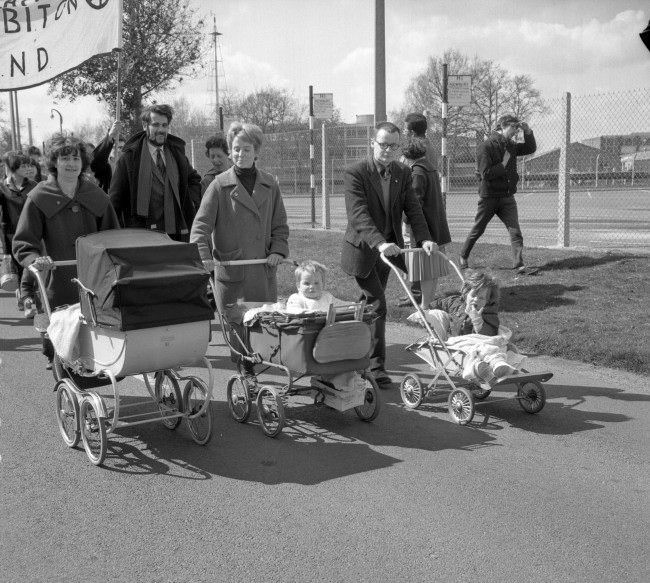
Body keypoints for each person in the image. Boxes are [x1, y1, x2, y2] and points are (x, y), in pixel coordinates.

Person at [340, 121, 435, 390]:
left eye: (394, 146)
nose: (388, 150)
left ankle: (346, 347)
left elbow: (413, 208)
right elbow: (358, 214)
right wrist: (379, 243)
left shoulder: (402, 173)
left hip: (388, 251)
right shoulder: (356, 172)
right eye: (383, 144)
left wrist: (425, 237)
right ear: (374, 143)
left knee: (367, 307)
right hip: (364, 250)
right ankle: (376, 368)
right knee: (378, 304)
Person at [12, 135, 120, 368]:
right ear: (54, 162)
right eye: (65, 158)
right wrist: (35, 260)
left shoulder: (96, 195)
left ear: (82, 163)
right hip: (56, 281)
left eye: (76, 158)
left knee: (93, 344)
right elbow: (23, 242)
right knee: (58, 346)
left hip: (93, 281)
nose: (71, 163)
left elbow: (113, 237)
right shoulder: (40, 196)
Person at [109, 103, 202, 241]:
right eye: (156, 125)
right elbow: (115, 200)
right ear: (145, 126)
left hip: (176, 234)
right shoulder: (129, 158)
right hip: (141, 236)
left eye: (165, 125)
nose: (161, 130)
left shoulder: (177, 155)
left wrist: (190, 203)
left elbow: (194, 180)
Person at [410, 269, 518, 383]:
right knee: (474, 352)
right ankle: (480, 369)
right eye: (474, 295)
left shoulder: (488, 313)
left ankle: (498, 365)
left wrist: (477, 320)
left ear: (487, 301)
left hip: (478, 341)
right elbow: (437, 304)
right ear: (466, 293)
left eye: (481, 298)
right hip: (459, 343)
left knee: (488, 347)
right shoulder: (454, 303)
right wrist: (425, 313)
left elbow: (489, 335)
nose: (476, 299)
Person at [460, 114, 537, 272]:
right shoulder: (486, 146)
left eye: (517, 127)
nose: (516, 131)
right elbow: (486, 173)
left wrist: (528, 132)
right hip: (489, 197)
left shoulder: (511, 145)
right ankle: (463, 256)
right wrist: (503, 163)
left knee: (515, 231)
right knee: (478, 229)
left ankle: (519, 265)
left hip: (507, 196)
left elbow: (530, 148)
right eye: (513, 127)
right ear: (502, 126)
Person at [401, 136, 452, 308]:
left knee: (425, 270)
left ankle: (424, 306)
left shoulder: (417, 172)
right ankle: (427, 303)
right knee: (431, 270)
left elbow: (415, 202)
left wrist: (405, 221)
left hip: (425, 227)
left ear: (406, 156)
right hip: (436, 224)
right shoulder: (430, 167)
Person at [0, 151, 39, 317]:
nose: (27, 168)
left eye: (28, 164)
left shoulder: (34, 185)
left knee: (28, 265)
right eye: (22, 165)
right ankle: (22, 294)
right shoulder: (2, 187)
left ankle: (28, 299)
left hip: (31, 231)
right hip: (9, 233)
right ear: (12, 168)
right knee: (17, 266)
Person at [90, 120, 123, 192]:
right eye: (115, 147)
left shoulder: (126, 166)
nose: (119, 150)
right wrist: (110, 136)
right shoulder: (103, 167)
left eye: (121, 147)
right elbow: (96, 160)